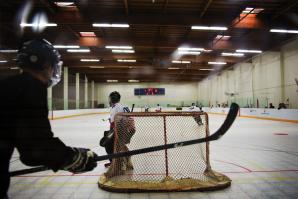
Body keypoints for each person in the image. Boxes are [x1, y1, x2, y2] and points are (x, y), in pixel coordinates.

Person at [0, 39, 97, 199]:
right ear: (45, 65)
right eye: (53, 65)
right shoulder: (30, 87)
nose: (53, 70)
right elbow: (35, 149)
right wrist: (72, 158)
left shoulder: (10, 86)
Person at [99, 91, 135, 175]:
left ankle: (116, 164)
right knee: (120, 145)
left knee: (108, 145)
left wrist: (111, 132)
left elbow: (113, 123)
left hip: (121, 129)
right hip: (130, 129)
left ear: (112, 99)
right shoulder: (122, 106)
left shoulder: (114, 107)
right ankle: (127, 159)